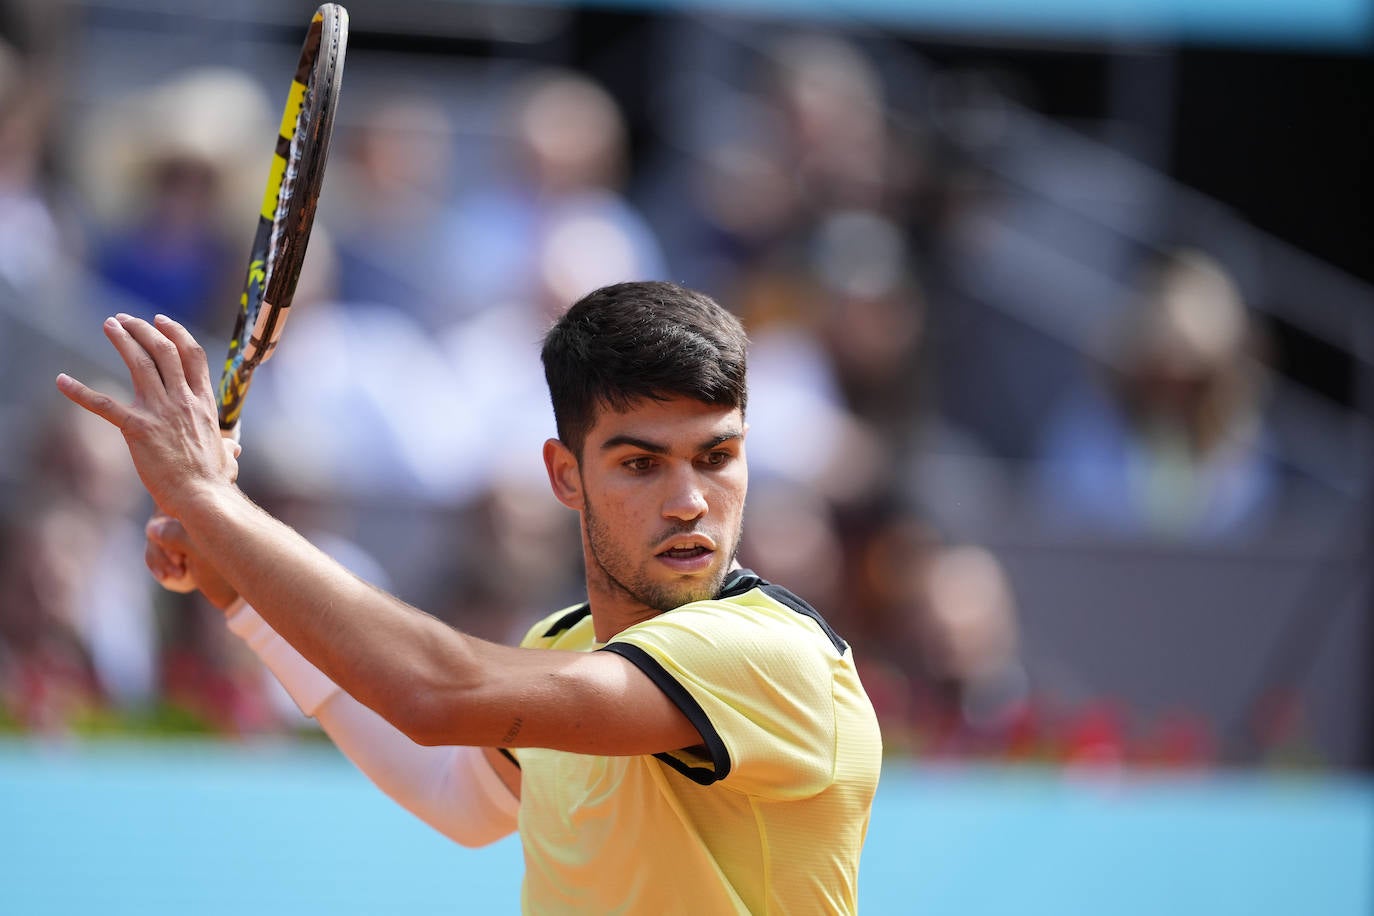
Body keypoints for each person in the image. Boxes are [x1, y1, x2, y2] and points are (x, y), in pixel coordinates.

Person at [55, 280, 883, 913]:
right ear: (566, 475)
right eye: (641, 464)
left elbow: (434, 694)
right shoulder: (562, 645)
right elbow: (453, 793)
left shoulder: (770, 653)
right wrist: (244, 601)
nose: (689, 500)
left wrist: (212, 502)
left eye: (716, 456)